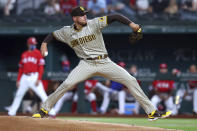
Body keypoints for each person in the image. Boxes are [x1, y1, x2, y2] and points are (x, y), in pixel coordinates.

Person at [32, 6, 171, 121]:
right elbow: (53, 34)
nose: (85, 17)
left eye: (85, 14)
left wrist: (132, 25)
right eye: (81, 15)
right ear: (74, 18)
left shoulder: (94, 23)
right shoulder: (66, 32)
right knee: (67, 84)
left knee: (131, 80)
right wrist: (44, 44)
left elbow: (116, 16)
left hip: (104, 62)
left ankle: (151, 112)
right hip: (86, 64)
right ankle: (44, 110)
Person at [8, 37, 56, 116]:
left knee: (42, 94)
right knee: (18, 94)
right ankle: (11, 112)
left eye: (34, 44)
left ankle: (52, 112)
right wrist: (18, 80)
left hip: (34, 76)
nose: (33, 45)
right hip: (24, 77)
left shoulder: (38, 53)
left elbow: (41, 67)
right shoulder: (24, 54)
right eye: (32, 44)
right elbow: (21, 69)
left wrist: (38, 79)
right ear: (28, 44)